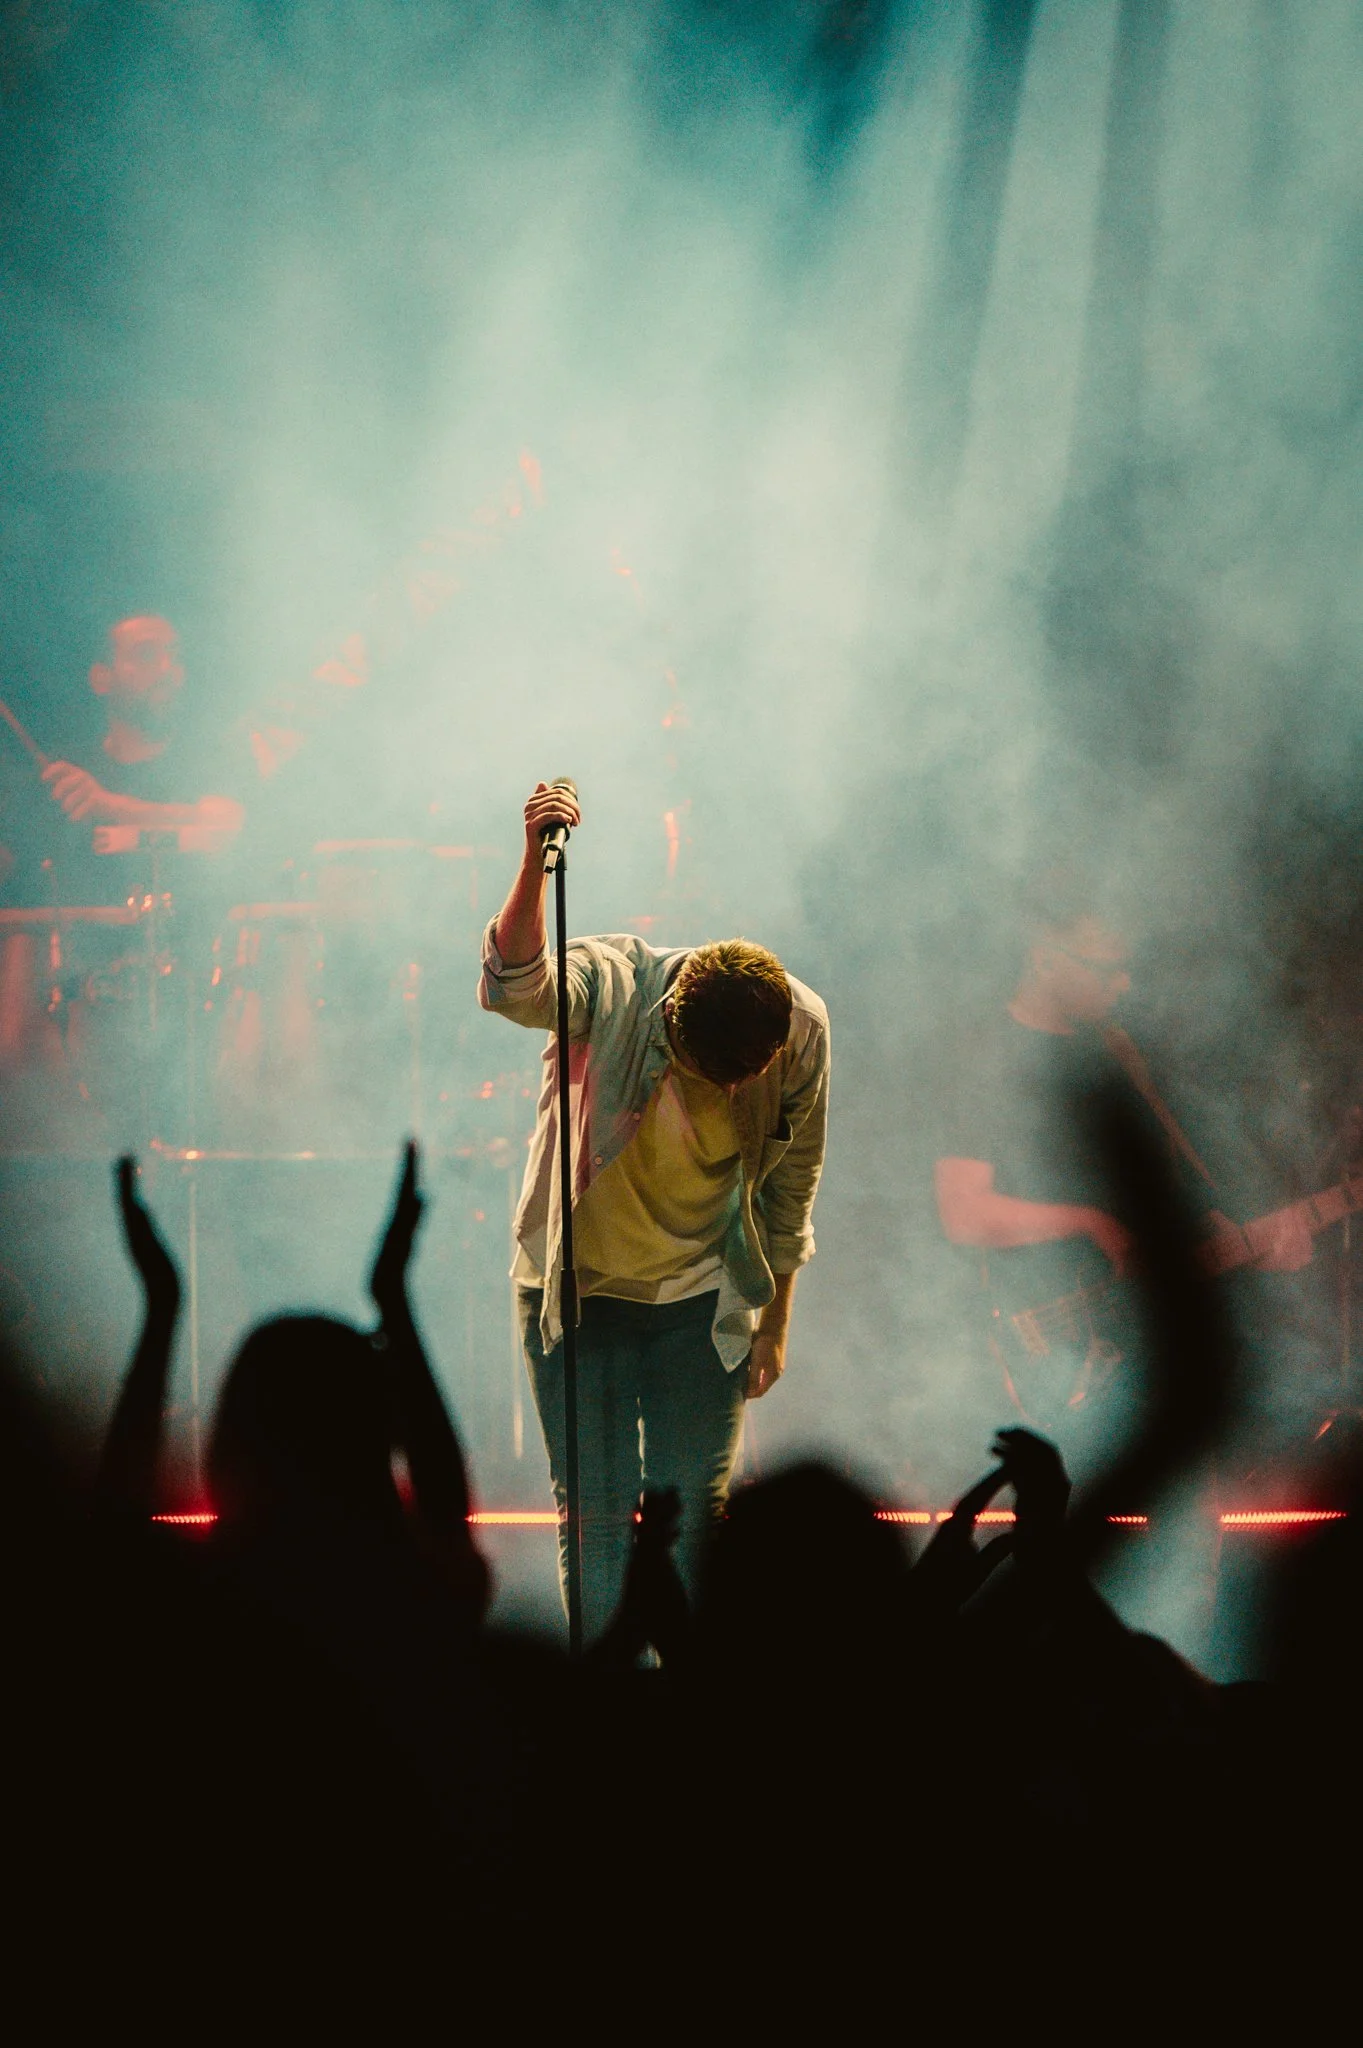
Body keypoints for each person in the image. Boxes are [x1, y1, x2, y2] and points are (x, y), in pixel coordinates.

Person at [478, 778, 830, 1640]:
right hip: (580, 1293)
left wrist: (775, 1321)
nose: (734, 1090)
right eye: (716, 1074)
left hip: (703, 1301)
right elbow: (515, 983)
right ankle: (604, 1703)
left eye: (747, 1076)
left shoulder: (801, 1029)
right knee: (596, 1516)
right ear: (674, 1018)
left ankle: (689, 1702)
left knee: (696, 1525)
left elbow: (792, 1185)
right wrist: (532, 862)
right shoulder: (613, 984)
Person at [932, 884, 1311, 1428]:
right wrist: (1090, 1223)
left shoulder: (1118, 1054)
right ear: (1045, 959)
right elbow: (964, 1214)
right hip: (1040, 1347)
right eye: (1106, 970)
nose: (1124, 984)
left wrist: (1238, 1243)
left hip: (1133, 1352)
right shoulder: (987, 1058)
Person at [41, 614, 246, 853]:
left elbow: (227, 825)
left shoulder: (215, 756)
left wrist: (109, 806)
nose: (167, 669)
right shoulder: (70, 775)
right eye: (146, 655)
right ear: (101, 678)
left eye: (175, 657)